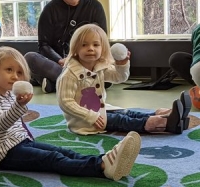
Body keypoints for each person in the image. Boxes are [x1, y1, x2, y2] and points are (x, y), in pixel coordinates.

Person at [0, 46, 141, 182]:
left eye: (19, 73)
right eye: (8, 70)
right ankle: (101, 167)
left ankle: (105, 159)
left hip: (19, 142)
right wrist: (18, 105)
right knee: (52, 159)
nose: (15, 77)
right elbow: (2, 123)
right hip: (5, 154)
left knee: (62, 151)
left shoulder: (8, 94)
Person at [57, 24, 191, 135]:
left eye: (96, 45)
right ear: (75, 49)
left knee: (128, 113)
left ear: (103, 48)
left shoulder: (98, 67)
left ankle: (168, 117)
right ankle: (165, 124)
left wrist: (122, 65)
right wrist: (90, 116)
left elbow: (119, 77)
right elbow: (65, 102)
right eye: (84, 45)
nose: (90, 48)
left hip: (101, 111)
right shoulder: (70, 74)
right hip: (84, 121)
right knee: (122, 120)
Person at [24, 0, 107, 93]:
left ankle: (55, 83)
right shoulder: (50, 10)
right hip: (61, 65)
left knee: (109, 71)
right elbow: (43, 46)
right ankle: (79, 83)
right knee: (29, 58)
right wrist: (61, 60)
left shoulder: (95, 7)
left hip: (88, 64)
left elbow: (103, 42)